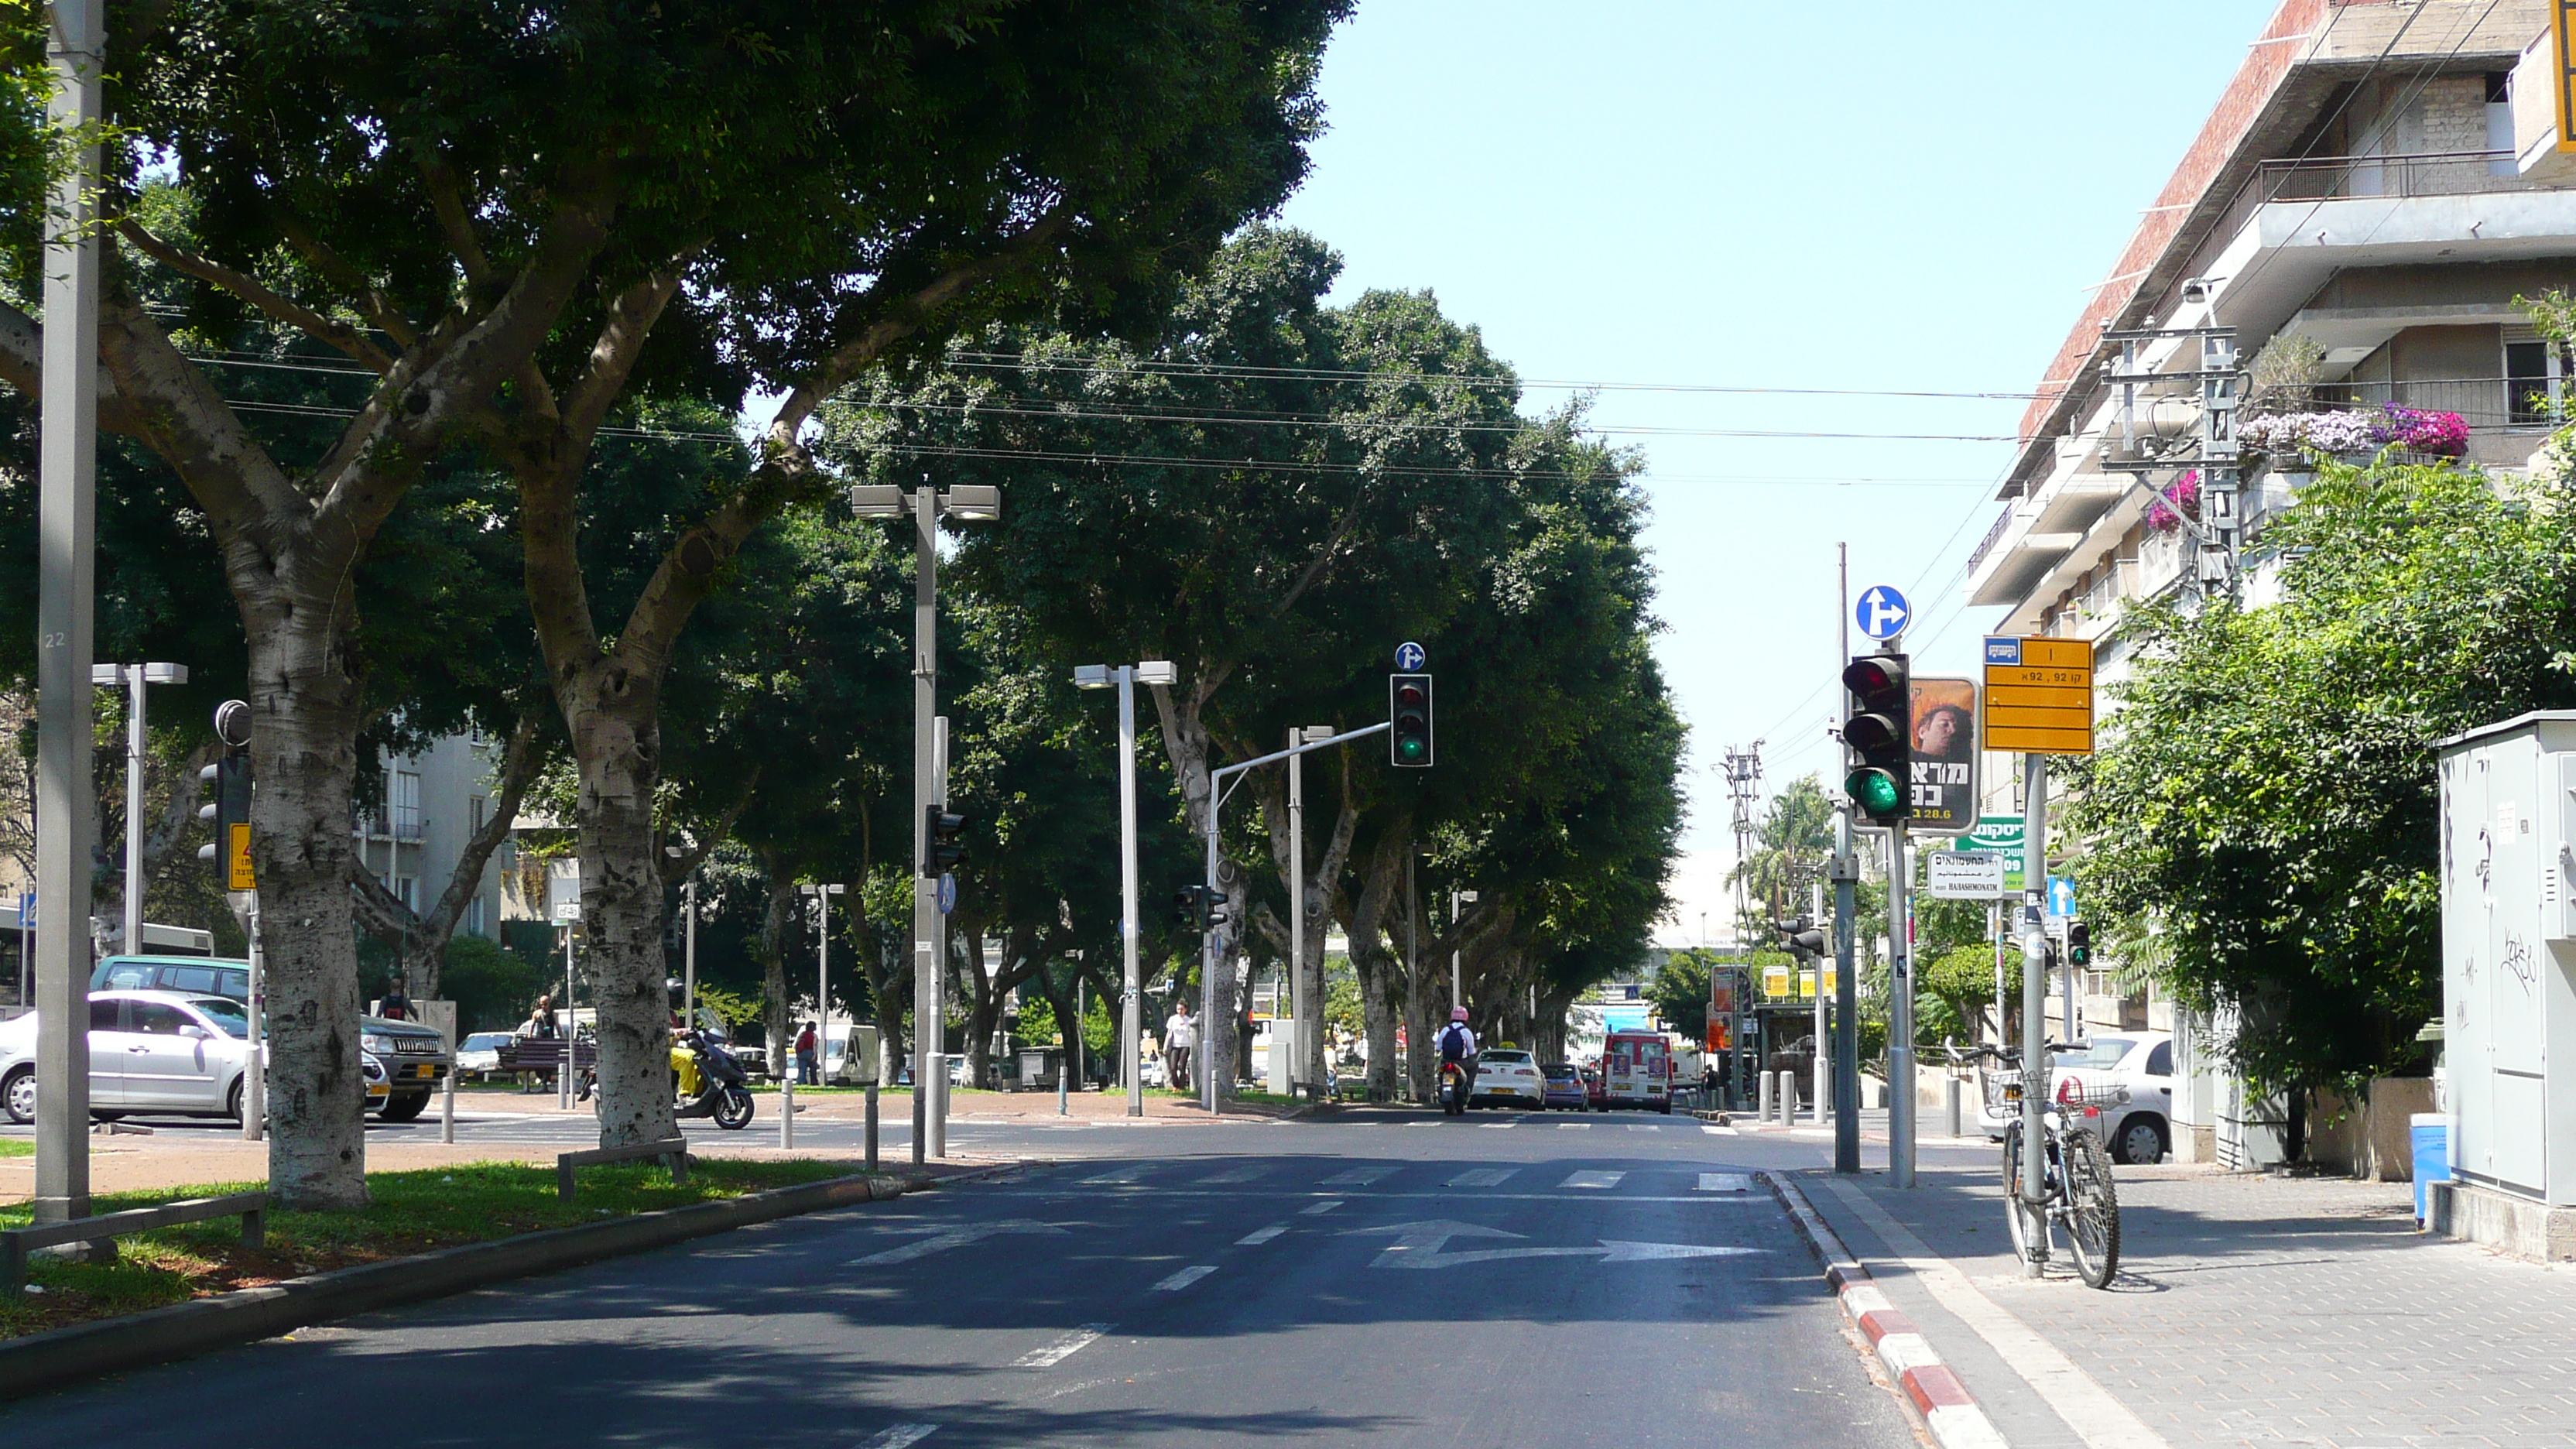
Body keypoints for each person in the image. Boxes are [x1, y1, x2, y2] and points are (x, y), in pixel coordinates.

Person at [1437, 1007, 1478, 1106]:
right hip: (1461, 1062)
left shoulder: (1445, 1030)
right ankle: (1467, 1089)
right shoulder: (1466, 1032)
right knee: (1474, 1067)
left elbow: (1438, 1047)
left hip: (1446, 1061)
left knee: (1440, 1074)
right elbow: (1471, 1051)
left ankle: (1440, 1088)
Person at [1164, 1002, 1197, 1092]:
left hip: (1185, 1046)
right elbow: (1169, 1034)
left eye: (1182, 1009)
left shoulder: (1189, 1020)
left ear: (1185, 1010)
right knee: (1173, 1067)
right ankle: (1176, 1085)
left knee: (1182, 1066)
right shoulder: (1173, 1019)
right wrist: (1165, 1046)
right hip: (1175, 1046)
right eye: (1178, 1009)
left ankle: (1182, 1086)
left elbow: (1191, 1034)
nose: (1180, 1011)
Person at [795, 1020, 819, 1087]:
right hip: (810, 1052)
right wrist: (814, 1055)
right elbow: (814, 1045)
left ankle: (800, 1082)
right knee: (813, 1069)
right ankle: (814, 1082)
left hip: (801, 1052)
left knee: (802, 1069)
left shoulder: (802, 1034)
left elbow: (797, 1043)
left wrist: (797, 1053)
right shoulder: (814, 1036)